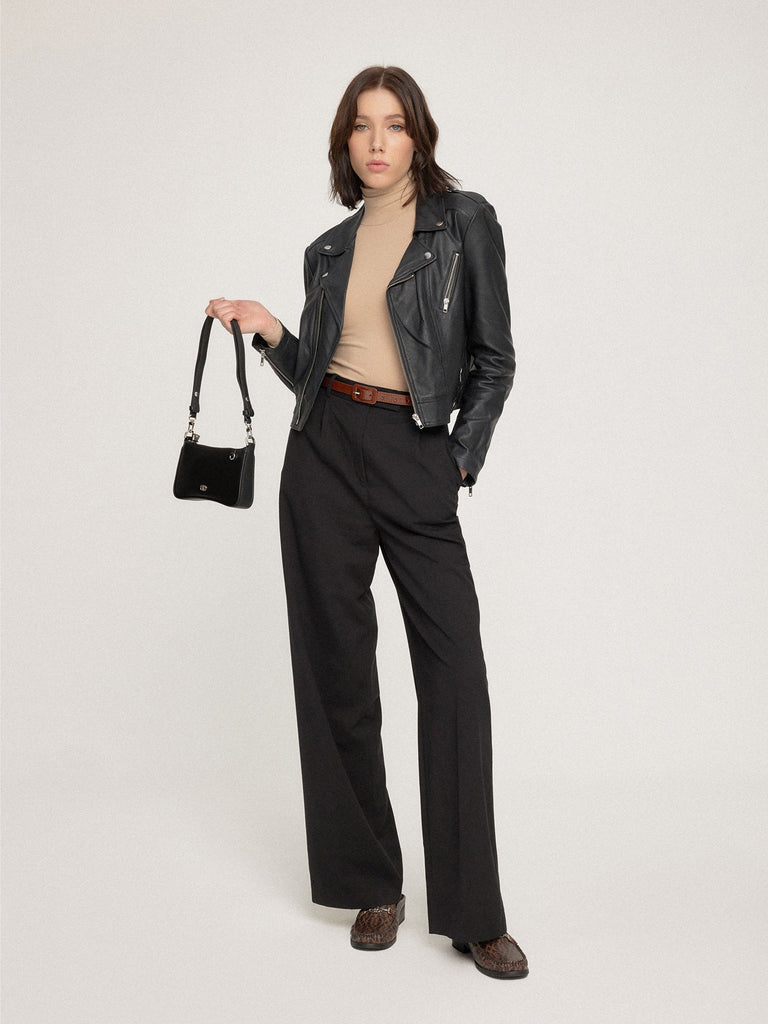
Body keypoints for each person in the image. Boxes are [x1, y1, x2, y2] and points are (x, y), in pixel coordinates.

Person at [206, 66, 528, 980]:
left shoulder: (464, 223)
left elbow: (495, 361)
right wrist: (272, 331)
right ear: (344, 143)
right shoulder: (329, 249)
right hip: (324, 454)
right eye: (361, 126)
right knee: (336, 669)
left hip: (416, 452)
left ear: (419, 134)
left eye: (393, 124)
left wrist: (457, 461)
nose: (377, 141)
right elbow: (321, 369)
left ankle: (472, 910)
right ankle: (371, 884)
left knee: (454, 675)